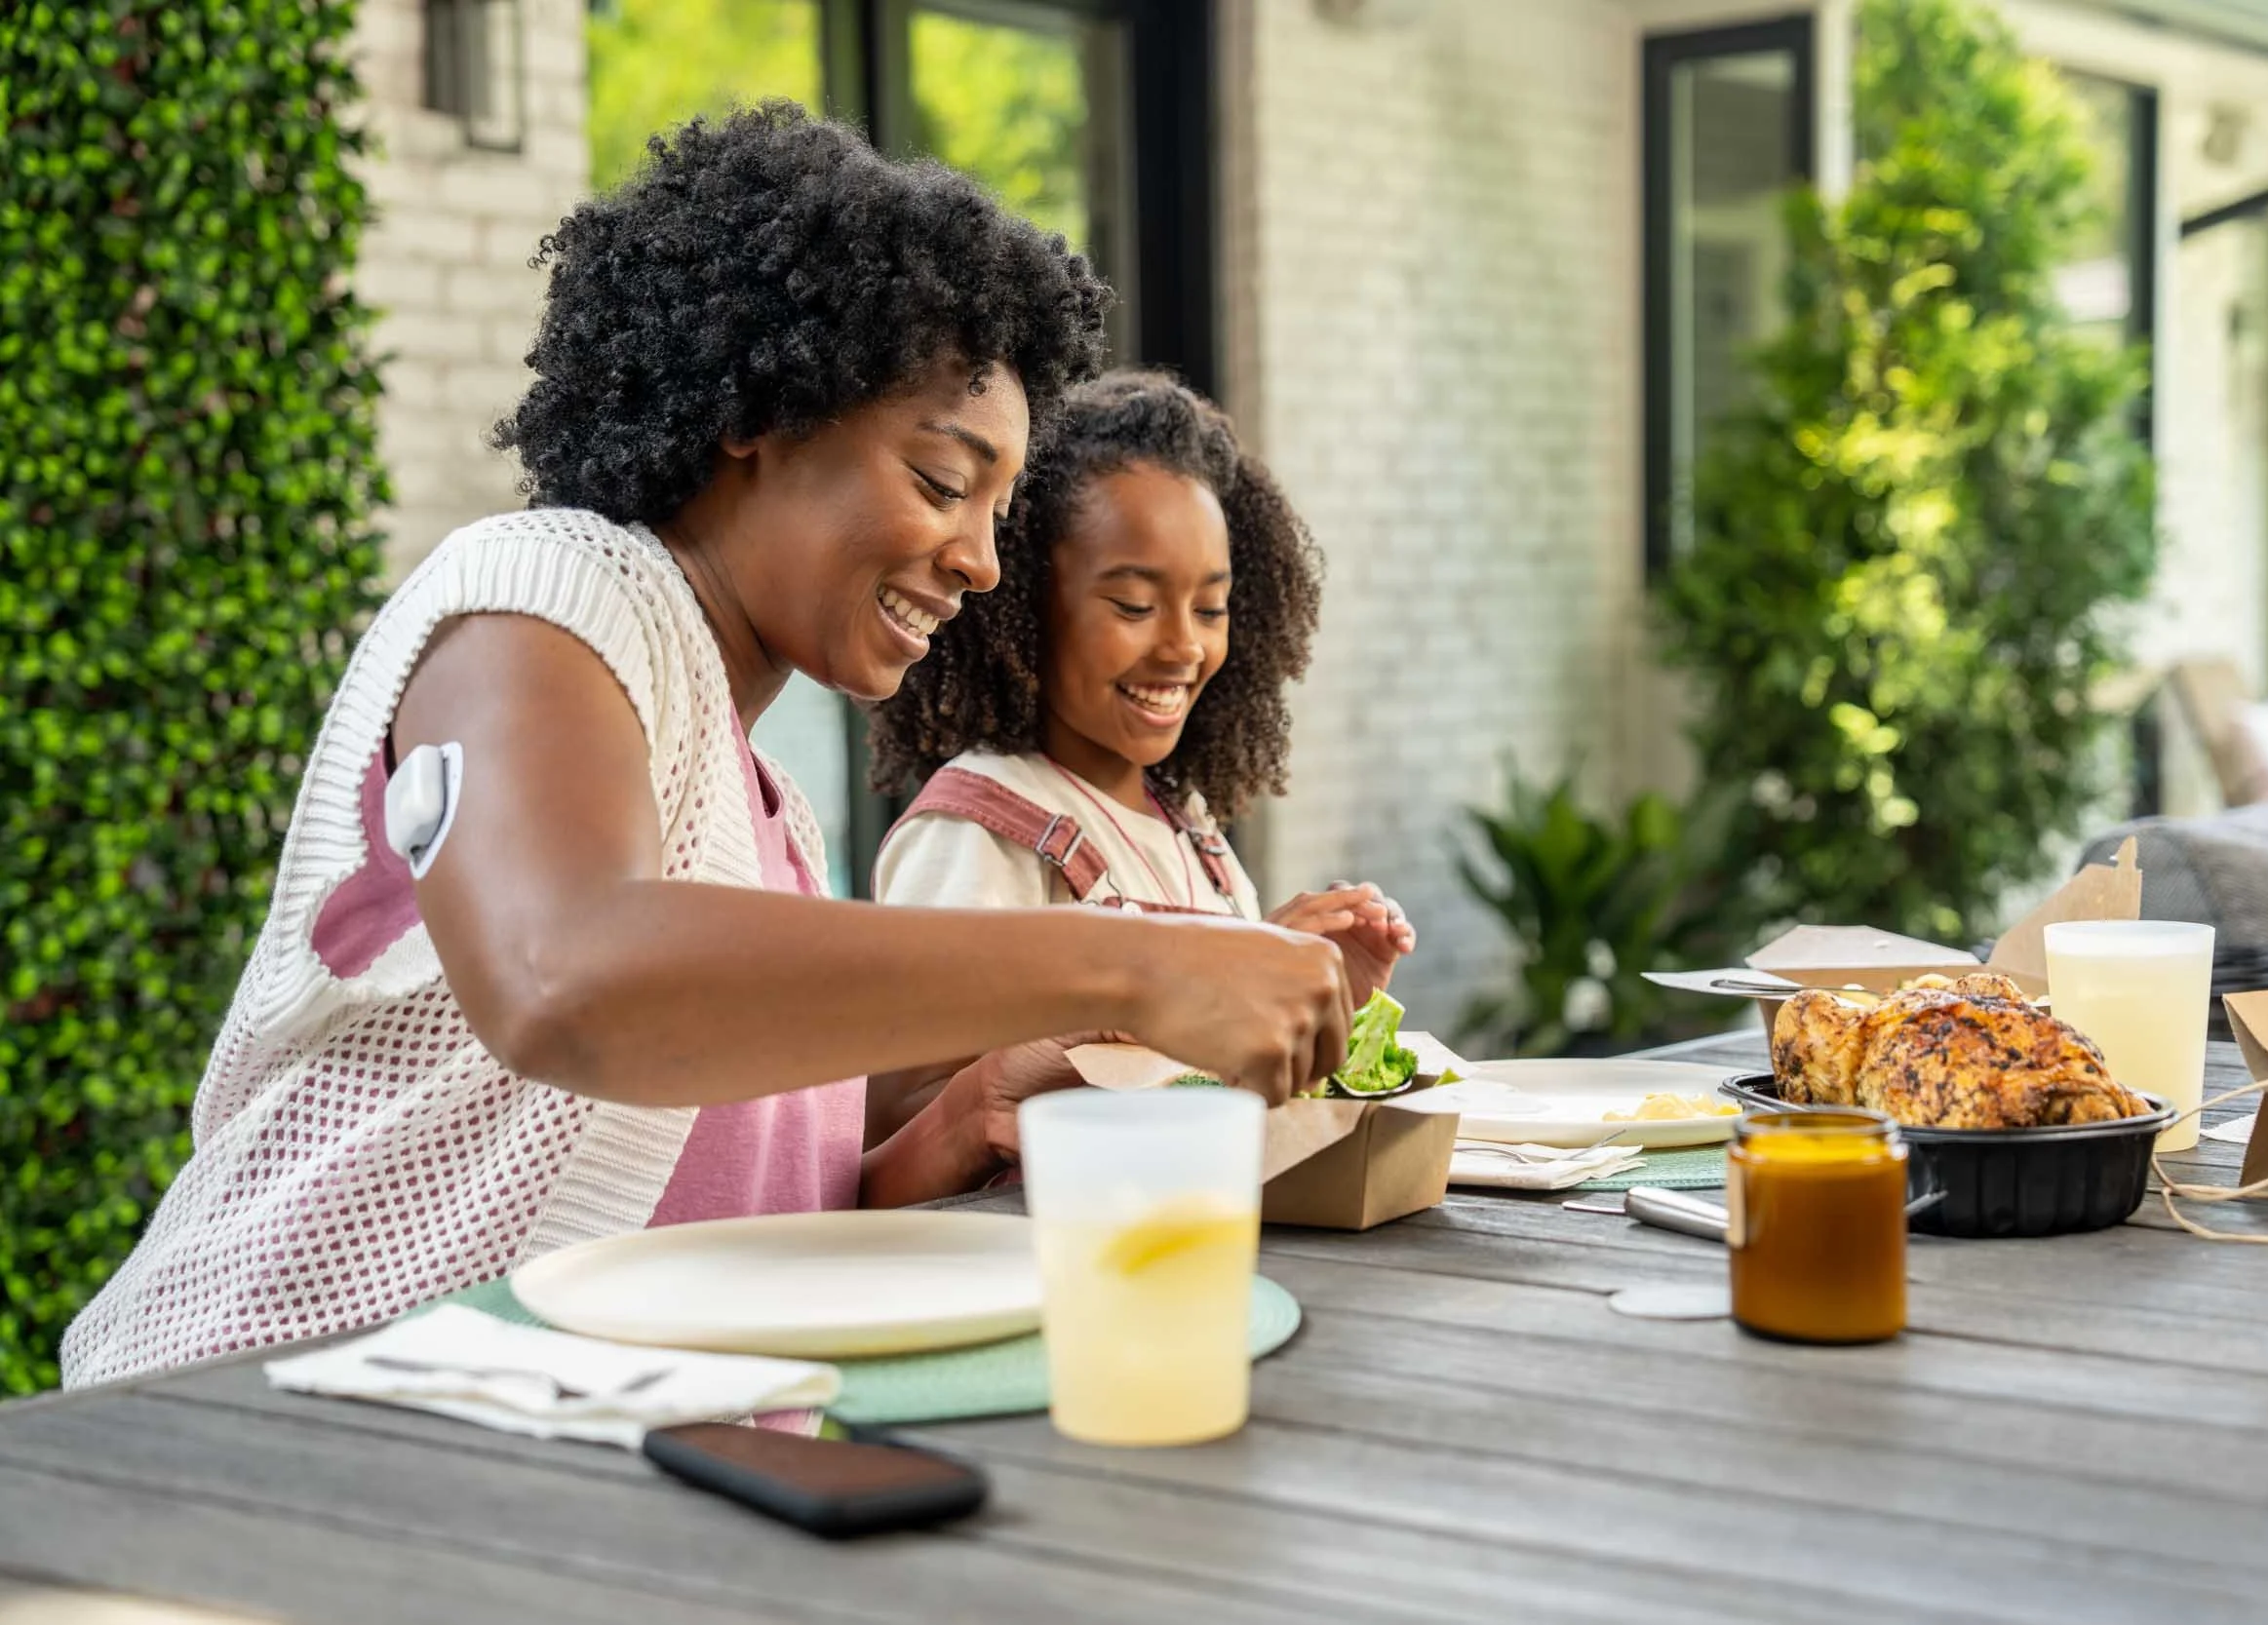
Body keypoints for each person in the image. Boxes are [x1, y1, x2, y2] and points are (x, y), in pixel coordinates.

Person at [62, 112, 1352, 1388]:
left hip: (505, 1471)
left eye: (1003, 512)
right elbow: (565, 979)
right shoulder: (545, 588)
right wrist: (1135, 962)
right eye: (946, 481)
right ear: (766, 417)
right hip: (246, 1431)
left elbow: (692, 1211)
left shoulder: (768, 811)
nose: (981, 557)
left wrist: (944, 1128)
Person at [865, 370, 1414, 1131]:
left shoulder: (1189, 825)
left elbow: (1206, 1089)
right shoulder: (979, 828)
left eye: (1211, 607)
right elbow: (903, 1123)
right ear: (1023, 603)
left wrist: (1315, 1004)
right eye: (1134, 605)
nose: (1184, 645)